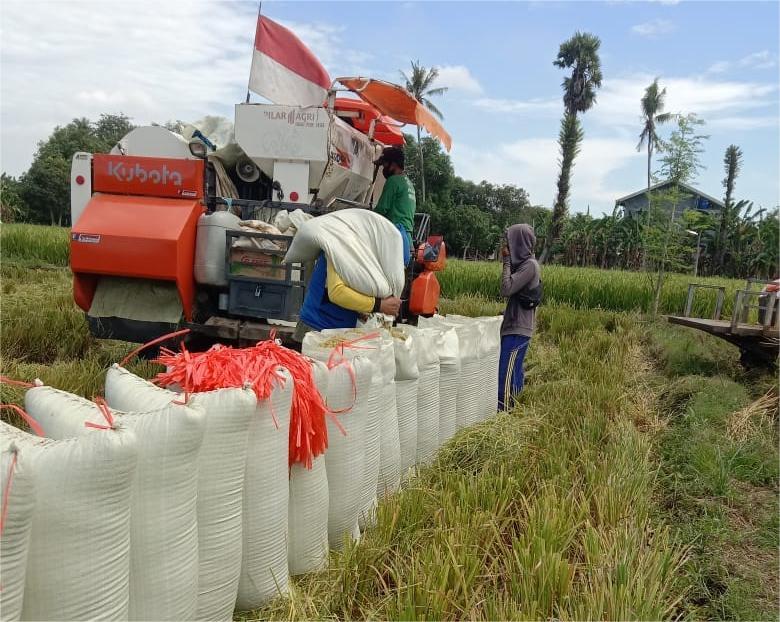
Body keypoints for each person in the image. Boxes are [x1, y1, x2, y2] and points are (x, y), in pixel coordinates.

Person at [292, 251, 401, 344]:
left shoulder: (357, 250)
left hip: (338, 329)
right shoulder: (339, 246)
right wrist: (379, 305)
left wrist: (362, 311)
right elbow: (337, 292)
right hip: (318, 329)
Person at [498, 223, 541, 411]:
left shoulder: (529, 266)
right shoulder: (525, 265)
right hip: (516, 327)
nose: (506, 246)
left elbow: (506, 289)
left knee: (505, 376)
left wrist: (506, 261)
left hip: (518, 331)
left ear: (518, 243)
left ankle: (504, 414)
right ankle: (515, 410)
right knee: (514, 373)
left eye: (509, 242)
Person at [373, 146, 415, 264]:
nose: (384, 169)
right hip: (407, 239)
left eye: (385, 165)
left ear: (394, 164)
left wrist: (364, 217)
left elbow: (381, 209)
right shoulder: (409, 183)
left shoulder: (393, 181)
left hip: (395, 235)